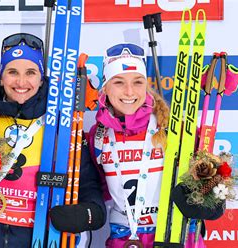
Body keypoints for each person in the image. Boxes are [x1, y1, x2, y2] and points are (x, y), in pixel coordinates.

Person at [55, 43, 225, 247]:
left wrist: (210, 203)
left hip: (175, 237)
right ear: (105, 87)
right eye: (118, 82)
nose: (129, 92)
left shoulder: (176, 129)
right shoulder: (98, 136)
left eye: (137, 82)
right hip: (124, 238)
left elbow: (214, 178)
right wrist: (86, 211)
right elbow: (96, 190)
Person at [0, 33, 106, 247]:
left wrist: (88, 214)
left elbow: (89, 185)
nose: (21, 82)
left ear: (41, 77)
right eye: (12, 72)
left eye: (30, 72)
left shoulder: (62, 124)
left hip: (39, 236)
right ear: (1, 77)